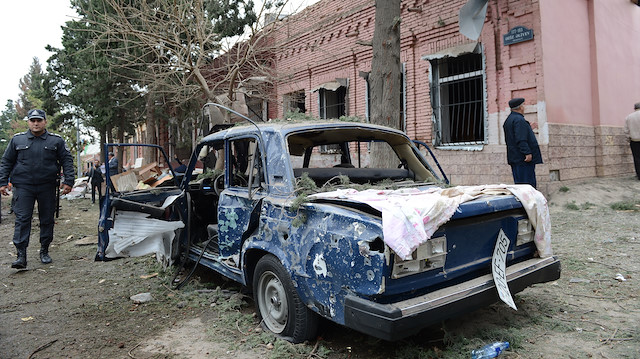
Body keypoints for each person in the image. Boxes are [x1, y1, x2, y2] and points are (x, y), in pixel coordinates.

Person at [0, 109, 75, 269]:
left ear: (44, 122)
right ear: (28, 122)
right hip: (23, 186)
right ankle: (21, 255)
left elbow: (67, 160)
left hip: (47, 186)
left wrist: (69, 181)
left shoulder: (56, 141)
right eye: (32, 120)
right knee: (22, 219)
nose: (36, 123)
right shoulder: (17, 140)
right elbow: (6, 161)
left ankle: (44, 250)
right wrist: (2, 182)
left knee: (47, 219)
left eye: (39, 120)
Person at [503, 98, 542, 188]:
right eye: (523, 106)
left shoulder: (509, 119)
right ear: (520, 107)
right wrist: (527, 152)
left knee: (520, 185)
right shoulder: (519, 120)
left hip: (515, 157)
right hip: (522, 159)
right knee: (527, 185)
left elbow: (515, 135)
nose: (524, 108)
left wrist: (528, 128)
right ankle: (529, 202)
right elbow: (520, 139)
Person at [624, 102, 640, 180]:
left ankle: (639, 175)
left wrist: (628, 138)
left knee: (636, 158)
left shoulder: (629, 117)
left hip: (634, 140)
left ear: (634, 108)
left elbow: (626, 130)